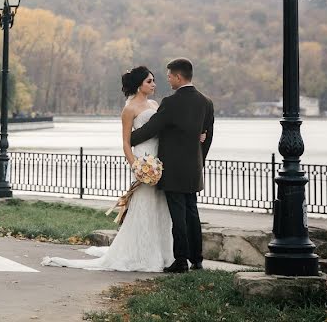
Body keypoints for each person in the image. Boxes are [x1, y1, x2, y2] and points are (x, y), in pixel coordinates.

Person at [42, 66, 175, 272]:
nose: (154, 84)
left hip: (158, 158)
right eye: (150, 81)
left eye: (154, 80)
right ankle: (141, 253)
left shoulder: (155, 104)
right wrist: (137, 167)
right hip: (142, 159)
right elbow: (125, 143)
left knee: (161, 207)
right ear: (140, 85)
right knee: (144, 205)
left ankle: (164, 254)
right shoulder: (129, 109)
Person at [130, 57, 214, 273]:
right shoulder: (206, 102)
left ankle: (181, 261)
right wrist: (199, 161)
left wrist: (129, 138)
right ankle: (197, 260)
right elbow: (207, 136)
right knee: (192, 213)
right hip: (193, 168)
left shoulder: (171, 102)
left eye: (169, 76)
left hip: (173, 169)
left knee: (178, 217)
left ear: (178, 76)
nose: (167, 80)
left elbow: (152, 128)